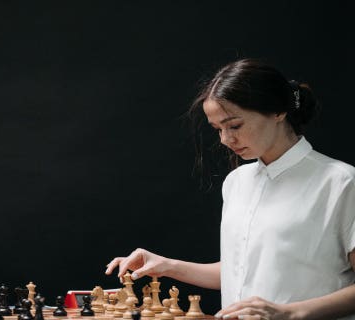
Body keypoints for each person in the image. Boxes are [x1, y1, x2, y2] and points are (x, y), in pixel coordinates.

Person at [105, 59, 355, 320]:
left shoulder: (340, 182)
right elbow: (241, 271)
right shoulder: (237, 182)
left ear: (279, 111)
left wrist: (290, 312)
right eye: (218, 129)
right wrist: (168, 266)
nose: (226, 140)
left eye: (234, 125)